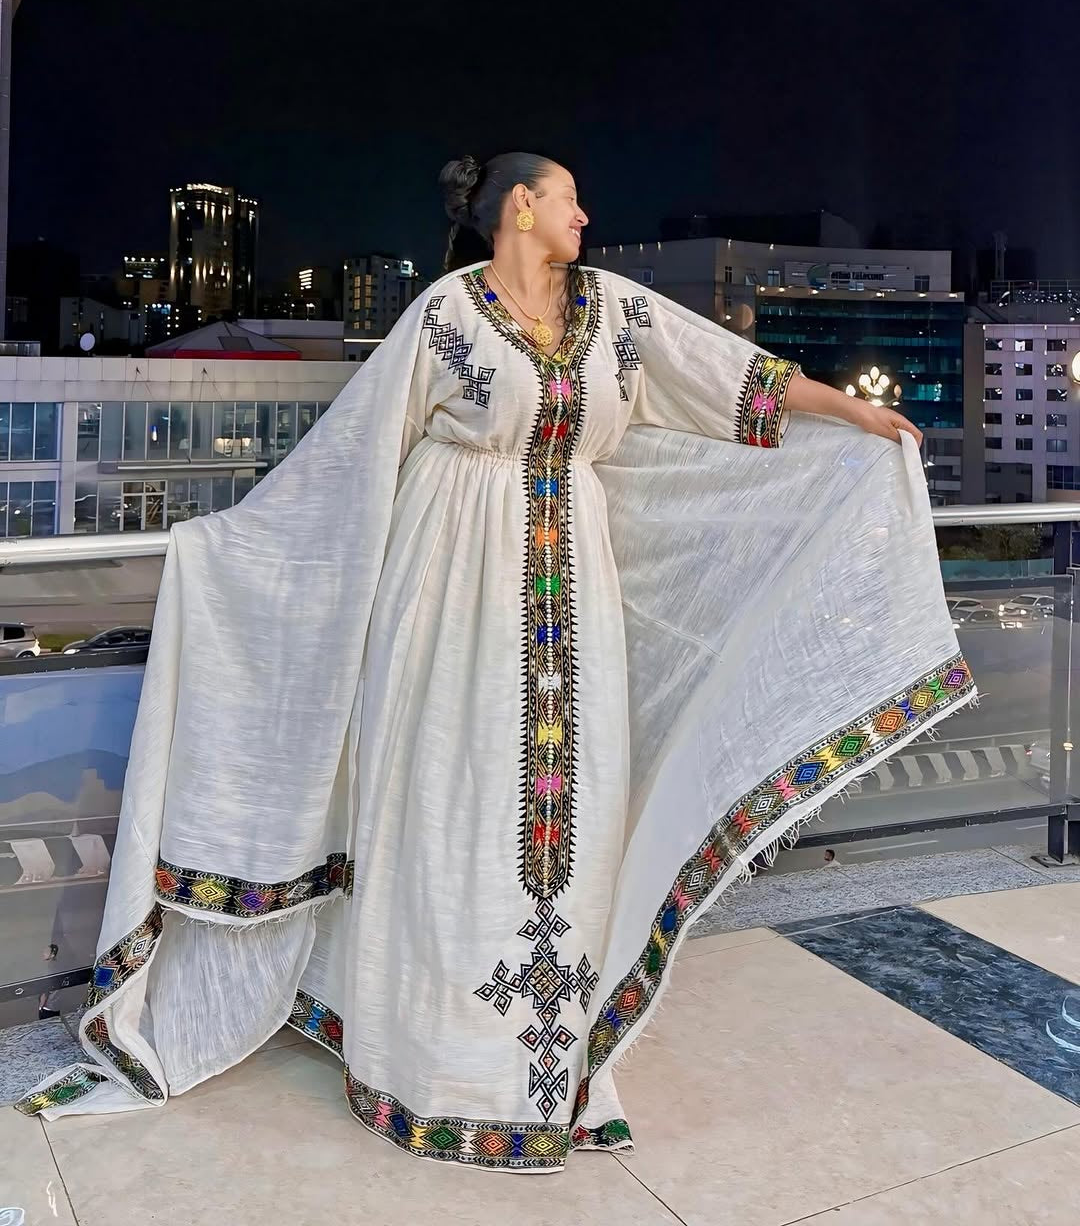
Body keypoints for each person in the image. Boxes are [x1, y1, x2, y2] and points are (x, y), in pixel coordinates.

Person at [17, 152, 975, 1172]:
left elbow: (733, 378)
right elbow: (350, 456)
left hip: (577, 605)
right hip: (447, 597)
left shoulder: (616, 314)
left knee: (571, 814)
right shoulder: (444, 318)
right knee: (447, 803)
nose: (585, 213)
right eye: (568, 197)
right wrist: (227, 554)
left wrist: (857, 415)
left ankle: (547, 1063)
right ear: (522, 206)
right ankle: (429, 1054)